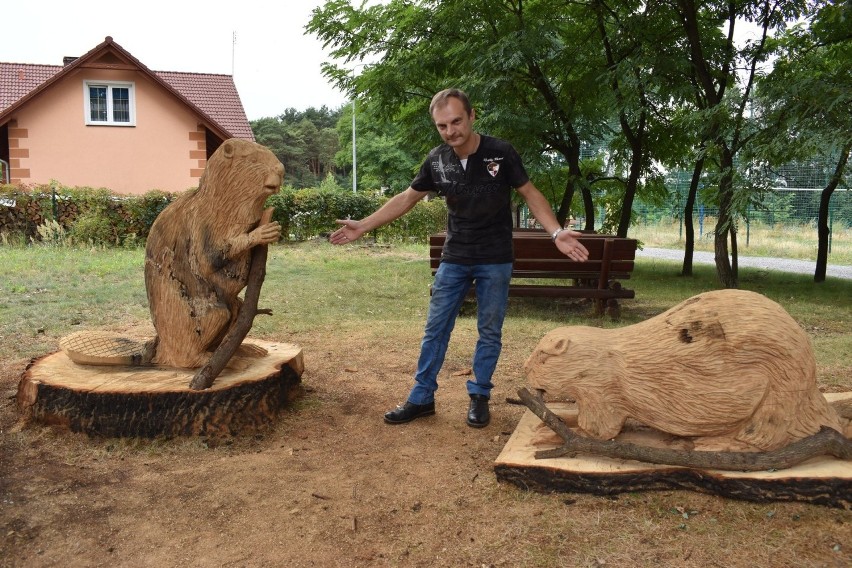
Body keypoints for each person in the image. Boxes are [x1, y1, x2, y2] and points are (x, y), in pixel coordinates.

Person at [329, 88, 589, 428]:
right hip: (455, 257)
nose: (451, 131)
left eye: (456, 121)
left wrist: (556, 232)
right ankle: (421, 398)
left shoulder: (501, 152)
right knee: (435, 328)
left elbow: (530, 193)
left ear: (471, 116)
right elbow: (406, 198)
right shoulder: (436, 160)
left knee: (489, 331)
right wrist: (362, 226)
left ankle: (479, 396)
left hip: (495, 257)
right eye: (442, 126)